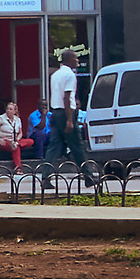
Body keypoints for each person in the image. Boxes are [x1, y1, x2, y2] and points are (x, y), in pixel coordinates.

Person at [42, 50, 96, 187]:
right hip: (66, 113)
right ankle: (88, 176)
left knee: (53, 147)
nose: (77, 61)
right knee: (77, 145)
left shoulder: (55, 75)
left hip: (55, 112)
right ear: (69, 60)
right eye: (76, 59)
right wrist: (70, 120)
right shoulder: (70, 75)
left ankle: (45, 177)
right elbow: (66, 97)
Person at [0, 98, 23, 175]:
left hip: (15, 140)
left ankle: (16, 144)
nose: (8, 110)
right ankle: (18, 168)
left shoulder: (17, 119)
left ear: (15, 111)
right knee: (15, 148)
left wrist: (17, 140)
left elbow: (21, 133)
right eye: (7, 109)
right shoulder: (1, 118)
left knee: (30, 141)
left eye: (10, 109)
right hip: (4, 141)